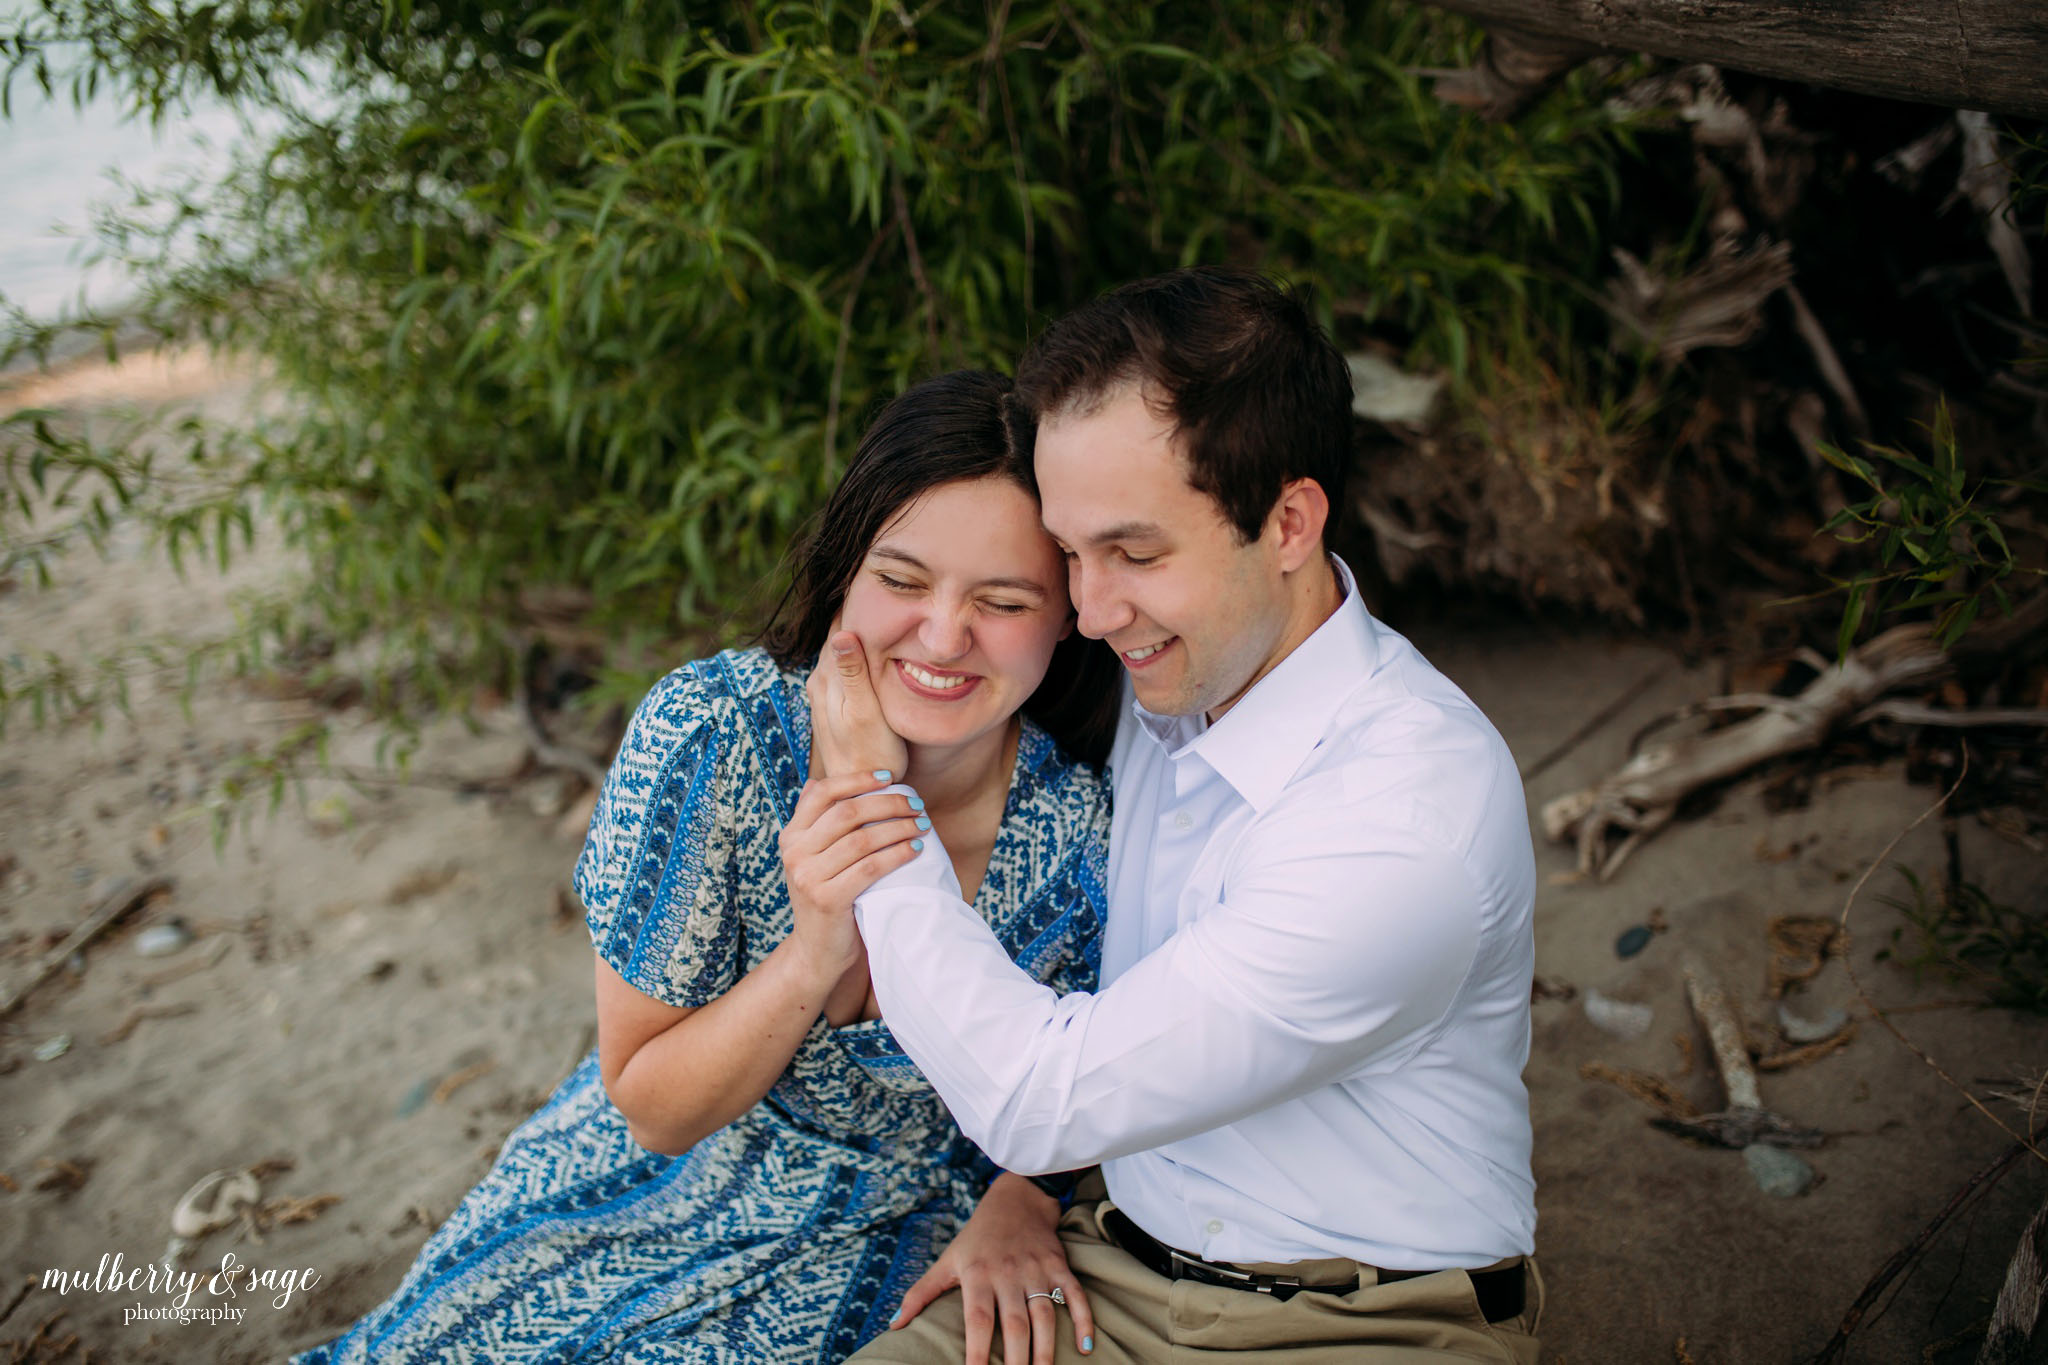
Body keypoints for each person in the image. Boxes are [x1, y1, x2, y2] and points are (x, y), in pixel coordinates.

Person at [292, 369, 1123, 1365]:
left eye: (1002, 600)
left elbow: (1100, 1074)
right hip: (653, 1178)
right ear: (844, 570)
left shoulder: (1081, 828)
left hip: (899, 1227)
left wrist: (1021, 1199)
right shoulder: (711, 736)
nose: (943, 636)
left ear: (1067, 613)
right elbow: (650, 1105)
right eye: (901, 581)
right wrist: (817, 947)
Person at [800, 268, 1543, 1363]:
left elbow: (1036, 1096)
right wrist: (1024, 1195)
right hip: (1104, 1264)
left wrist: (875, 807)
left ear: (1287, 522)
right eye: (1067, 553)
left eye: (1136, 554)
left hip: (1367, 1319)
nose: (1091, 612)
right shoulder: (1164, 671)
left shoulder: (1400, 816)